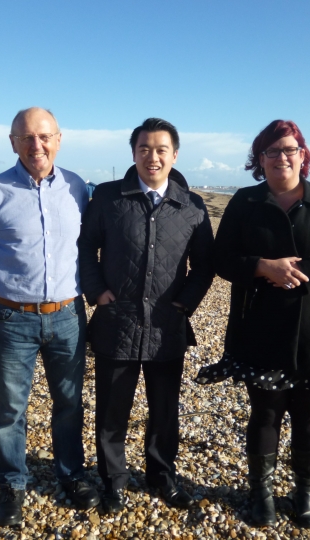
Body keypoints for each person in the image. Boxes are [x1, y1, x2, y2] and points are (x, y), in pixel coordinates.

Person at [197, 119, 310, 528]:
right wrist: (263, 267)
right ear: (259, 159)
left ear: (303, 155)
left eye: (289, 149)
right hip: (259, 327)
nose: (282, 157)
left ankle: (304, 495)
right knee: (265, 414)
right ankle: (262, 495)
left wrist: (302, 273)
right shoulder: (245, 202)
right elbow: (222, 260)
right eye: (272, 151)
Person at [0, 107, 99, 526]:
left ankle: (71, 474)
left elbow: (89, 246)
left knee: (70, 402)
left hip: (68, 316)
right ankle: (10, 482)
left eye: (44, 136)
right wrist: (8, 287)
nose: (36, 145)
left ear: (59, 139)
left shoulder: (78, 188)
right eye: (26, 138)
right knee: (10, 408)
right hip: (11, 319)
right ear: (13, 143)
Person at [79, 118, 214, 514]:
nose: (151, 157)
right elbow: (86, 247)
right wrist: (95, 291)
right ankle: (114, 481)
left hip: (167, 327)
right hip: (115, 322)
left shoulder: (191, 205)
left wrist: (184, 303)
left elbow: (205, 264)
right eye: (143, 149)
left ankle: (161, 476)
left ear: (174, 154)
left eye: (160, 150)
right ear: (133, 152)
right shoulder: (107, 198)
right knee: (111, 411)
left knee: (165, 411)